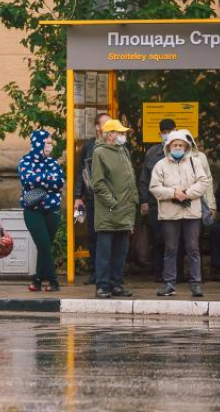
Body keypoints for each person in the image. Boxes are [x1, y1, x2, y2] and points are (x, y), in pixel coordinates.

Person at [149, 130, 211, 297]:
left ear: (186, 147)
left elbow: (204, 181)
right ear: (168, 147)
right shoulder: (160, 165)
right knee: (170, 248)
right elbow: (154, 188)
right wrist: (173, 193)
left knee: (193, 248)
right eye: (174, 145)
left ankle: (196, 284)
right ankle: (169, 283)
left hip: (191, 213)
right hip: (170, 214)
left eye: (180, 145)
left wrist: (187, 193)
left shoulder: (195, 162)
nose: (177, 148)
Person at [91, 119, 139, 299]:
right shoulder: (100, 152)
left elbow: (130, 178)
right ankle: (102, 285)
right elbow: (98, 182)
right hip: (109, 212)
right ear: (110, 135)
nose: (123, 136)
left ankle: (116, 284)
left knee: (121, 251)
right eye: (120, 133)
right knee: (104, 252)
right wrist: (113, 202)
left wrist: (133, 200)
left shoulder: (123, 150)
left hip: (125, 210)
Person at [19, 130, 65, 292]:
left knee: (44, 246)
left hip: (52, 210)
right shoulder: (25, 161)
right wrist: (48, 180)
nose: (50, 146)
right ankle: (53, 281)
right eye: (47, 143)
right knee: (44, 244)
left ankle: (37, 280)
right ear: (38, 143)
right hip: (33, 211)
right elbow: (28, 180)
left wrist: (40, 180)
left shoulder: (53, 162)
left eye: (51, 143)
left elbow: (59, 182)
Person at [73, 112, 111, 284]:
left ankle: (110, 273)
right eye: (106, 124)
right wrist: (77, 196)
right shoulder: (89, 146)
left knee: (111, 235)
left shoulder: (114, 144)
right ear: (97, 127)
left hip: (111, 199)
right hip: (92, 197)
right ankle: (95, 272)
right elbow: (80, 171)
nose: (109, 129)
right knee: (93, 235)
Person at [139, 118, 176, 282]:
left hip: (175, 202)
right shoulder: (152, 153)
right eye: (164, 132)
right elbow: (144, 179)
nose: (167, 135)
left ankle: (175, 273)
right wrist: (144, 201)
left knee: (173, 239)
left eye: (170, 131)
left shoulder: (181, 150)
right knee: (157, 238)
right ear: (160, 134)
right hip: (155, 203)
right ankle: (158, 272)